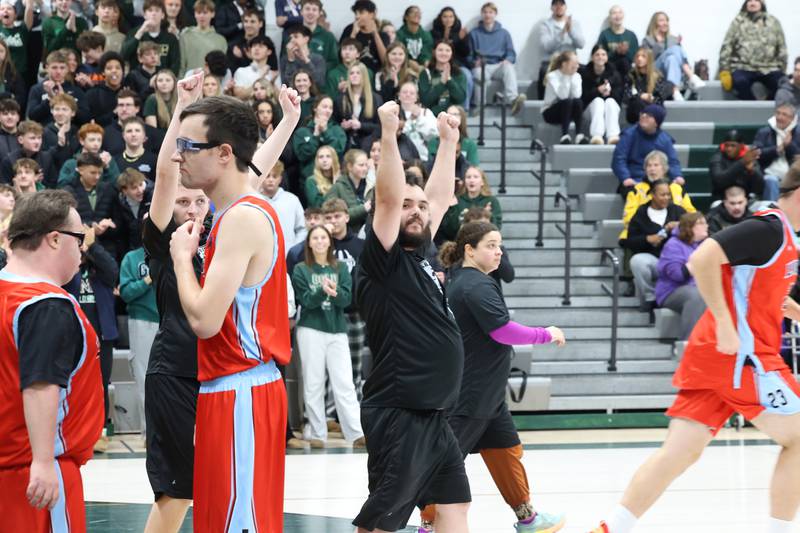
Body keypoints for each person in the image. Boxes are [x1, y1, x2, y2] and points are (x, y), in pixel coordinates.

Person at [589, 164, 800, 533]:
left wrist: (792, 310)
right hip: (741, 357)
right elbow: (701, 259)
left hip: (715, 359)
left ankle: (610, 527)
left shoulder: (788, 237)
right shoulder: (768, 227)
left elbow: (758, 292)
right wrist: (723, 321)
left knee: (680, 453)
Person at [166, 74, 301, 532]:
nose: (177, 154)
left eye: (189, 145)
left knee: (238, 522)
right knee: (224, 516)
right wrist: (287, 123)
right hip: (234, 387)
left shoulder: (242, 217)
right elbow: (252, 165)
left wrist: (183, 259)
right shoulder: (238, 205)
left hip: (241, 386)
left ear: (224, 154)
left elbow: (204, 320)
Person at [352, 100, 470, 532]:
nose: (417, 210)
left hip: (435, 413)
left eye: (418, 206)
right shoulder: (380, 260)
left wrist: (448, 142)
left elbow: (438, 197)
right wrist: (387, 134)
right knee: (384, 517)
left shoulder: (420, 253)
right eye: (407, 206)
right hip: (400, 411)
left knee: (455, 506)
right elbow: (387, 197)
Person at [420, 220, 566, 533]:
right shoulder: (474, 285)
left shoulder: (464, 279)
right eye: (491, 245)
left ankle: (528, 517)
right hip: (470, 394)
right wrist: (545, 333)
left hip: (488, 394)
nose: (499, 252)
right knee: (444, 461)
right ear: (469, 250)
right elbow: (502, 331)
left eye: (500, 245)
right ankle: (429, 524)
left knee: (506, 452)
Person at [0, 189, 103, 531]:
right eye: (79, 238)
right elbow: (41, 384)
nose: (83, 248)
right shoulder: (45, 304)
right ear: (55, 240)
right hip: (35, 471)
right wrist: (43, 461)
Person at [140, 77, 211, 532]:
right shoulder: (162, 242)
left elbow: (252, 171)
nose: (190, 207)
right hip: (174, 372)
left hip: (214, 374)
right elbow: (167, 174)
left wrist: (287, 122)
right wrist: (183, 109)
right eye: (183, 202)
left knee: (214, 481)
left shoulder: (219, 244)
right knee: (178, 487)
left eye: (199, 201)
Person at [291, 224, 365, 448]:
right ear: (310, 243)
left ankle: (355, 433)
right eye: (316, 238)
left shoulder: (341, 267)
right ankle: (317, 433)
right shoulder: (301, 269)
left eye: (324, 237)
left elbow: (346, 300)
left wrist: (335, 293)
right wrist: (321, 290)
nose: (321, 241)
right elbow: (306, 301)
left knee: (344, 382)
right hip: (310, 329)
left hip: (337, 329)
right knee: (313, 382)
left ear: (330, 242)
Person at [621, 179, 686, 313]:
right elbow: (630, 240)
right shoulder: (641, 213)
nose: (666, 198)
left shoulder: (678, 211)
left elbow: (695, 231)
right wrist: (647, 239)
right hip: (654, 260)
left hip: (676, 260)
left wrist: (680, 226)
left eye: (668, 194)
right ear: (652, 195)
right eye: (662, 195)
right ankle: (650, 299)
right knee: (637, 261)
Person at [119, 243, 158, 434]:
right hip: (142, 321)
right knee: (144, 378)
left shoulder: (175, 251)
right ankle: (148, 432)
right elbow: (125, 293)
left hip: (172, 320)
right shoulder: (131, 258)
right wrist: (147, 280)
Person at [619, 150, 695, 244]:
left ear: (664, 169)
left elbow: (691, 214)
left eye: (656, 165)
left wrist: (678, 225)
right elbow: (628, 219)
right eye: (649, 166)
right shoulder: (636, 190)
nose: (652, 169)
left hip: (675, 236)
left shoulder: (677, 189)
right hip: (642, 237)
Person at [718, 0, 787, 101]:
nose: (752, 3)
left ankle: (766, 105)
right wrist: (724, 70)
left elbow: (781, 47)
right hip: (743, 67)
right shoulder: (738, 22)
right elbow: (727, 45)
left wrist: (782, 68)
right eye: (749, 0)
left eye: (756, 0)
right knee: (739, 82)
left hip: (769, 68)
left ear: (762, 3)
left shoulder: (773, 22)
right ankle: (753, 108)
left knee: (783, 83)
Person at [655, 212, 708, 340]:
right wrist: (695, 261)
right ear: (689, 228)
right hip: (672, 291)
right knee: (695, 295)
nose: (706, 226)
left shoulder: (705, 245)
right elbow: (677, 275)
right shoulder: (674, 245)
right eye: (701, 223)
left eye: (705, 222)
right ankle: (688, 343)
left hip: (699, 288)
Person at [612, 104, 685, 197]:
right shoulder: (629, 135)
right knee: (632, 194)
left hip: (658, 180)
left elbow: (673, 162)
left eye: (649, 116)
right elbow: (619, 159)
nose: (643, 116)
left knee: (678, 191)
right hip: (634, 180)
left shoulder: (665, 139)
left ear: (656, 123)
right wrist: (625, 178)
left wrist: (677, 176)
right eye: (643, 114)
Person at [469, 2, 525, 115]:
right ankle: (480, 107)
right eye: (485, 12)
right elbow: (468, 55)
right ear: (482, 14)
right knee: (479, 74)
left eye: (490, 12)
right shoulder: (474, 33)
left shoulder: (504, 33)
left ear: (495, 14)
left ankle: (513, 100)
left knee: (509, 67)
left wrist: (508, 59)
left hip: (498, 65)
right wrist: (474, 62)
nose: (487, 15)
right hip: (482, 66)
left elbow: (511, 53)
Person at [641, 11, 704, 100]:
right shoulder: (647, 40)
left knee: (672, 58)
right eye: (662, 20)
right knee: (674, 49)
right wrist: (659, 43)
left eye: (666, 20)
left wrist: (677, 43)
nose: (665, 23)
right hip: (655, 70)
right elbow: (646, 60)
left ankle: (674, 90)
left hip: (672, 72)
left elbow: (682, 61)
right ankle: (692, 77)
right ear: (655, 23)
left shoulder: (673, 39)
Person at [26, 50, 89, 126]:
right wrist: (49, 99)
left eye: (62, 68)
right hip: (44, 132)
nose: (58, 71)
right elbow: (32, 116)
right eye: (54, 67)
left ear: (67, 69)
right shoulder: (37, 89)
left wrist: (65, 100)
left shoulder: (76, 90)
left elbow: (85, 118)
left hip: (70, 133)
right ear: (47, 67)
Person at [538, 0, 585, 100]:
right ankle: (543, 105)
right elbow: (547, 47)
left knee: (585, 70)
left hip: (571, 61)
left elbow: (581, 44)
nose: (559, 6)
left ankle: (580, 104)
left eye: (561, 4)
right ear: (551, 8)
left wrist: (571, 30)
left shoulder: (574, 23)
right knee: (543, 71)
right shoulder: (545, 25)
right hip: (552, 61)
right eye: (555, 4)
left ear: (565, 7)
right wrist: (562, 33)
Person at [754, 103, 800, 203]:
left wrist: (789, 145)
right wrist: (778, 149)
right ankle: (772, 215)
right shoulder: (764, 132)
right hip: (769, 173)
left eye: (784, 114)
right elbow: (758, 154)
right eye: (778, 113)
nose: (779, 117)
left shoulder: (798, 134)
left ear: (792, 119)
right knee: (771, 181)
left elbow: (798, 158)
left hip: (793, 176)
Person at [121, 0, 180, 77]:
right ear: (145, 14)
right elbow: (124, 55)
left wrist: (164, 80)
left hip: (162, 82)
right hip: (137, 81)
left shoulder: (170, 38)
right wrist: (140, 33)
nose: (153, 14)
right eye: (150, 10)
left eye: (157, 10)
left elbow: (175, 65)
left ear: (162, 15)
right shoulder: (134, 33)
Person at [293, 94, 347, 179]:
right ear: (315, 108)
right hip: (310, 178)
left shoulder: (337, 130)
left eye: (330, 108)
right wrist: (315, 135)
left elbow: (338, 150)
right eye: (324, 107)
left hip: (333, 179)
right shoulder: (302, 132)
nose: (328, 110)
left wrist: (326, 132)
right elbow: (302, 155)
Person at [431, 6, 472, 110]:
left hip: (458, 65)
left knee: (467, 75)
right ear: (440, 18)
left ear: (455, 18)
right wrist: (448, 34)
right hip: (437, 66)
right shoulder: (434, 32)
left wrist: (460, 39)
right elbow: (436, 49)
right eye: (445, 16)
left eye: (451, 16)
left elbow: (466, 52)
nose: (448, 19)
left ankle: (464, 109)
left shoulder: (460, 32)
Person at [334, 61, 381, 151]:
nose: (354, 75)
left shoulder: (376, 99)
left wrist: (361, 125)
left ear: (364, 76)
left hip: (367, 146)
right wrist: (342, 126)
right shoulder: (341, 98)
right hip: (346, 145)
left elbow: (379, 127)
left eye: (358, 73)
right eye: (351, 73)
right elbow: (334, 123)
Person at [260, 161, 307, 252]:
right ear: (261, 178)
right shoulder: (254, 200)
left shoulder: (292, 200)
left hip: (287, 256)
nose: (271, 180)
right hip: (261, 257)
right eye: (267, 176)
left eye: (275, 176)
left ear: (280, 179)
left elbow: (303, 228)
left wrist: (293, 250)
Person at [580, 44, 623, 145]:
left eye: (603, 54)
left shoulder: (615, 74)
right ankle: (597, 136)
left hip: (610, 107)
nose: (600, 57)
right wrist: (597, 91)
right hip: (590, 110)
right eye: (597, 54)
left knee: (610, 101)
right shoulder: (584, 73)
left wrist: (609, 93)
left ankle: (613, 136)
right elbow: (583, 98)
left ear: (607, 57)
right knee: (598, 101)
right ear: (592, 57)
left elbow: (620, 97)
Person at [57, 122, 120, 188]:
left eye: (99, 140)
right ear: (81, 141)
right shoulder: (71, 163)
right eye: (92, 140)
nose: (96, 144)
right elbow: (61, 186)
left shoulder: (108, 161)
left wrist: (107, 168)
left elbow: (117, 186)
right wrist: (77, 172)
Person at [541, 50, 584, 145]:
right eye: (574, 64)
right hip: (551, 112)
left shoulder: (577, 76)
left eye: (577, 64)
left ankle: (579, 135)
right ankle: (565, 135)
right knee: (567, 102)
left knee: (578, 102)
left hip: (567, 111)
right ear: (564, 64)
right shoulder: (552, 76)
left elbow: (577, 95)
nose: (577, 66)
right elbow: (563, 96)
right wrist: (566, 76)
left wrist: (572, 77)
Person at [709, 129, 764, 201]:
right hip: (722, 199)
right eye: (727, 145)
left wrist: (752, 171)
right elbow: (719, 180)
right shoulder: (717, 157)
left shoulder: (748, 156)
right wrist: (742, 163)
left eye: (733, 146)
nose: (729, 149)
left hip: (746, 200)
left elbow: (759, 188)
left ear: (741, 146)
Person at [325, 148, 370, 233]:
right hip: (346, 235)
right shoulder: (338, 187)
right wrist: (363, 208)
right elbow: (332, 215)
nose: (365, 168)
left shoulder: (370, 186)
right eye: (361, 165)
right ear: (349, 166)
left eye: (366, 165)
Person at [0, 120, 57, 188]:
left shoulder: (47, 158)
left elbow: (53, 185)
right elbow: (6, 188)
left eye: (39, 138)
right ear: (20, 140)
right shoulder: (9, 160)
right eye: (32, 138)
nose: (37, 142)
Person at [622, 48, 671, 125]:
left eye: (643, 56)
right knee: (637, 103)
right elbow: (627, 95)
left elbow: (660, 98)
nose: (639, 58)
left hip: (653, 109)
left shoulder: (657, 76)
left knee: (654, 108)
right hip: (635, 112)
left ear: (649, 59)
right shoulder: (631, 76)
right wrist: (641, 96)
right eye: (637, 56)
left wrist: (651, 99)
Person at [178, 0, 227, 78]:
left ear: (212, 14)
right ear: (195, 14)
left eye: (205, 13)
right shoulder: (185, 36)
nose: (202, 16)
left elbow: (221, 68)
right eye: (199, 12)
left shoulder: (221, 40)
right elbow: (181, 65)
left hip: (212, 85)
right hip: (191, 82)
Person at [419, 40, 468, 116]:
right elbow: (425, 100)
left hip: (452, 117)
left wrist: (449, 80)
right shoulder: (425, 73)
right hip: (431, 117)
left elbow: (460, 98)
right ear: (434, 52)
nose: (444, 53)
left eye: (447, 50)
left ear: (452, 54)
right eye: (440, 50)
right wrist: (442, 83)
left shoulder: (459, 73)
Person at [340, 0, 389, 74]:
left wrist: (375, 34)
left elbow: (385, 61)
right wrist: (353, 34)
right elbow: (342, 57)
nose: (357, 16)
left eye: (361, 13)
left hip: (376, 73)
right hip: (353, 72)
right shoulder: (349, 29)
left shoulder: (383, 35)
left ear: (372, 14)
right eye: (356, 13)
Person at [398, 81, 437, 162]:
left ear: (416, 97)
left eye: (412, 93)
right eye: (404, 92)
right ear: (399, 96)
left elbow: (433, 134)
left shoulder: (426, 113)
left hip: (423, 158)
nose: (408, 95)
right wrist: (411, 120)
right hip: (400, 158)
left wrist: (419, 119)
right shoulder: (394, 113)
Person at [281, 24, 326, 90]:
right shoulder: (285, 59)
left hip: (314, 96)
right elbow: (286, 83)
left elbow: (319, 82)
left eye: (296, 37)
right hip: (293, 96)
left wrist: (306, 60)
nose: (292, 40)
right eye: (291, 38)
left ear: (306, 39)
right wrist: (291, 60)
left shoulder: (318, 59)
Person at [233, 35, 278, 101]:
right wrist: (261, 77)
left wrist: (273, 84)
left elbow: (280, 100)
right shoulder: (241, 71)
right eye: (254, 46)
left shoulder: (273, 74)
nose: (256, 49)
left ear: (269, 51)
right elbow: (239, 95)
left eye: (260, 46)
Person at [85, 51, 124, 127]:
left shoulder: (129, 91)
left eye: (118, 68)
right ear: (103, 72)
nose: (114, 71)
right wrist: (115, 112)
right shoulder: (93, 94)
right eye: (109, 68)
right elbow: (93, 121)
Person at [597, 5, 638, 76]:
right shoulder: (604, 35)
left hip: (628, 72)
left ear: (623, 15)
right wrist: (616, 52)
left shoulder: (631, 35)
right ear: (610, 17)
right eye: (614, 13)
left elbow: (635, 57)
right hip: (609, 71)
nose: (617, 16)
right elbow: (600, 56)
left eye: (620, 12)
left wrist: (625, 52)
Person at [0, 0, 34, 86]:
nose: (6, 11)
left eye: (9, 9)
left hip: (20, 74)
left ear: (15, 15)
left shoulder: (22, 30)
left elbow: (29, 10)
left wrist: (29, 4)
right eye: (2, 9)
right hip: (1, 73)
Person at [114, 116, 156, 183]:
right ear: (123, 135)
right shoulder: (115, 161)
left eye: (137, 130)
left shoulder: (154, 160)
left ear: (144, 135)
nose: (133, 134)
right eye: (129, 131)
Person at [396, 5, 432, 75]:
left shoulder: (426, 35)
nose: (417, 14)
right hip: (403, 66)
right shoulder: (399, 34)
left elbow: (426, 54)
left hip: (422, 67)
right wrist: (408, 61)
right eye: (413, 12)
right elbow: (397, 52)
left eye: (419, 12)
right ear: (406, 17)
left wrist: (425, 62)